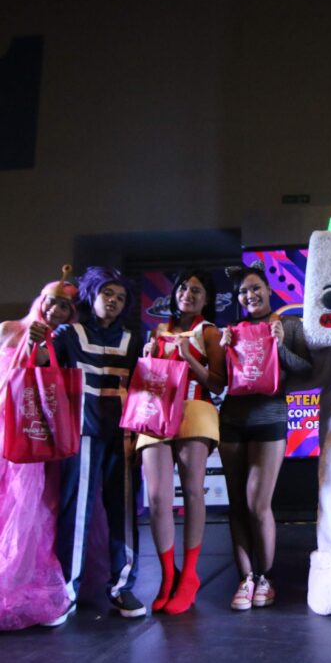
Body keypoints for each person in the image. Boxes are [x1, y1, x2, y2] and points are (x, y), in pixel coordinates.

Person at [34, 266, 144, 622]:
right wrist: (37, 338)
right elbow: (41, 363)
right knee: (76, 512)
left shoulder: (134, 339)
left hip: (123, 436)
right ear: (92, 296)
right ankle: (66, 590)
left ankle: (122, 586)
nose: (112, 301)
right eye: (106, 294)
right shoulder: (70, 334)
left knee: (124, 512)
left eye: (120, 297)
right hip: (83, 433)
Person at [219, 262, 311, 611]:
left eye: (255, 288)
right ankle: (245, 578)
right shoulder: (233, 330)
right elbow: (223, 380)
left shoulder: (289, 324)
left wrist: (280, 345)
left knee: (258, 504)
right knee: (237, 504)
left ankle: (265, 577)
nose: (250, 295)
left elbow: (309, 370)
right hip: (231, 420)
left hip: (270, 419)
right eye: (243, 292)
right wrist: (224, 350)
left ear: (269, 290)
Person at [139, 270, 224, 615]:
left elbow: (217, 383)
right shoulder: (157, 331)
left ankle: (189, 575)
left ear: (207, 299)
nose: (188, 294)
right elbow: (148, 379)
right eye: (183, 288)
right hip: (157, 411)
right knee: (158, 498)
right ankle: (167, 577)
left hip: (195, 407)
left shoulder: (210, 332)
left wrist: (189, 356)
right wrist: (148, 358)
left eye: (196, 290)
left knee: (192, 492)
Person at [0, 273, 77, 629]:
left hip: (30, 439)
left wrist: (40, 353)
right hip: (4, 431)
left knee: (29, 511)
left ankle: (19, 588)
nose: (56, 310)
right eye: (52, 301)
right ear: (40, 299)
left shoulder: (58, 345)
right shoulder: (8, 329)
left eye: (65, 306)